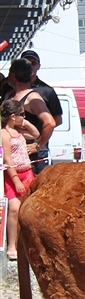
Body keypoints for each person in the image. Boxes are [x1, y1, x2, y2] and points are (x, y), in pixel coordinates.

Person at [2, 50, 62, 173]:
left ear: (13, 75)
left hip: (30, 157)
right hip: (10, 154)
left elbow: (50, 123)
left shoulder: (33, 98)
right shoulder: (9, 93)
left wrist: (37, 145)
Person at [2, 99, 40, 261]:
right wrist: (16, 180)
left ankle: (27, 242)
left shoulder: (19, 131)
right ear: (12, 116)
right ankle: (12, 245)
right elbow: (7, 159)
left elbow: (36, 134)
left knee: (29, 208)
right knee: (15, 209)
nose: (23, 117)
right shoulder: (4, 134)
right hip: (14, 174)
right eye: (21, 114)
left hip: (27, 172)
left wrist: (23, 121)